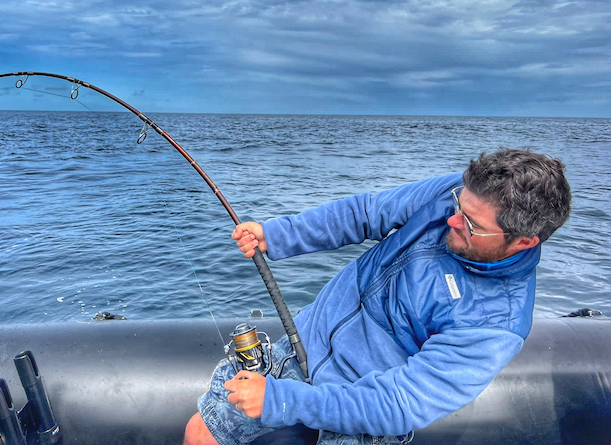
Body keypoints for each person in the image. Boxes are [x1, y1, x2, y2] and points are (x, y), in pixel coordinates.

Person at [183, 149, 572, 445]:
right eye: (458, 205)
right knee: (201, 432)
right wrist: (280, 235)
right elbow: (366, 212)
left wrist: (284, 401)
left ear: (523, 241)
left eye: (470, 224)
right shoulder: (454, 197)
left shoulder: (495, 324)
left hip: (365, 411)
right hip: (302, 345)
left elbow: (398, 403)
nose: (451, 219)